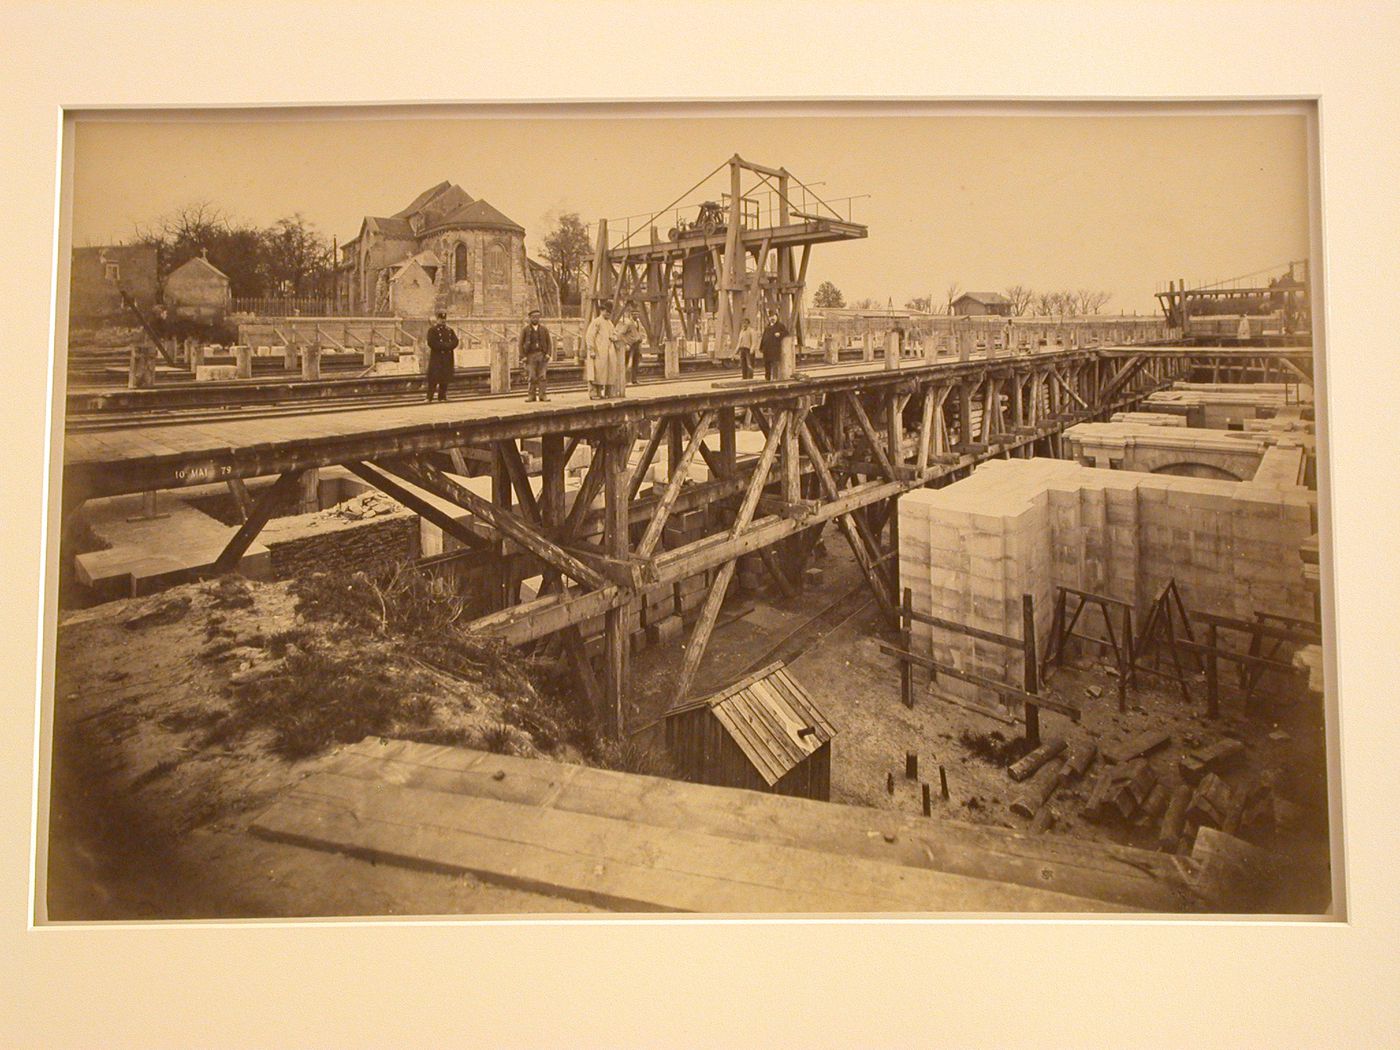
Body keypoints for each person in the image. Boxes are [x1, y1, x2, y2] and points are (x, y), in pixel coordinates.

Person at [583, 300, 618, 399]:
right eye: (606, 311)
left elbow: (614, 334)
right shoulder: (596, 322)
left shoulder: (610, 323)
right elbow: (590, 336)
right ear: (602, 310)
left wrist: (614, 337)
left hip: (607, 352)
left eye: (609, 312)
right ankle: (593, 393)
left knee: (604, 373)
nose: (608, 314)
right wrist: (592, 349)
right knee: (595, 372)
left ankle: (601, 392)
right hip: (597, 351)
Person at [424, 311, 458, 402]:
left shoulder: (449, 330)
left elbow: (455, 341)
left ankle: (442, 396)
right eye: (440, 319)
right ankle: (429, 397)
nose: (442, 321)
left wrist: (449, 346)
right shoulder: (433, 330)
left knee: (445, 376)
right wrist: (444, 346)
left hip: (447, 357)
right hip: (437, 357)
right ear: (437, 319)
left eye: (444, 319)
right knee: (433, 377)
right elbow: (431, 342)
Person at [519, 308, 552, 402]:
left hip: (542, 355)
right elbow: (520, 344)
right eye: (533, 317)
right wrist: (523, 356)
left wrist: (548, 354)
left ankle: (543, 395)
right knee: (532, 376)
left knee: (542, 376)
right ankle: (531, 396)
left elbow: (549, 342)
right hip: (530, 355)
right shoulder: (525, 330)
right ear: (529, 318)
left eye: (537, 317)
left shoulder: (544, 329)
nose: (535, 319)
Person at [759, 311, 788, 381]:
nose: (772, 318)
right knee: (767, 364)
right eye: (771, 317)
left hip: (774, 348)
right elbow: (763, 337)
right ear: (769, 318)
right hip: (766, 349)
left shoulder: (780, 325)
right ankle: (767, 378)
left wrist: (780, 334)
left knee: (775, 363)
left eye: (774, 316)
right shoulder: (767, 327)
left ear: (776, 317)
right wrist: (761, 347)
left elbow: (786, 332)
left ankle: (775, 378)